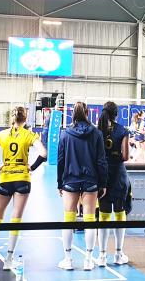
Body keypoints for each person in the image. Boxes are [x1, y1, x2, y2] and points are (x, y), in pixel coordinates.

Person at [0, 106, 47, 270]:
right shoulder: (29, 135)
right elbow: (43, 153)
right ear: (25, 119)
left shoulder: (2, 134)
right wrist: (32, 167)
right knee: (16, 218)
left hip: (5, 178)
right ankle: (9, 259)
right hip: (22, 178)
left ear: (12, 118)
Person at [57, 102, 108, 271]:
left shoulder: (65, 134)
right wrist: (103, 183)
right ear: (87, 113)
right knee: (89, 220)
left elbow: (61, 161)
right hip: (90, 181)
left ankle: (68, 259)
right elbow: (101, 161)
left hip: (70, 181)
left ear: (73, 113)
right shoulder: (97, 134)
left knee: (68, 219)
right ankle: (88, 259)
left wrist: (60, 183)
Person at [96, 101, 130, 267]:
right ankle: (118, 254)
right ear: (116, 114)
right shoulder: (122, 130)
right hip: (118, 176)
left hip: (103, 177)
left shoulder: (97, 131)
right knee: (119, 213)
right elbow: (126, 156)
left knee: (103, 215)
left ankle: (102, 256)